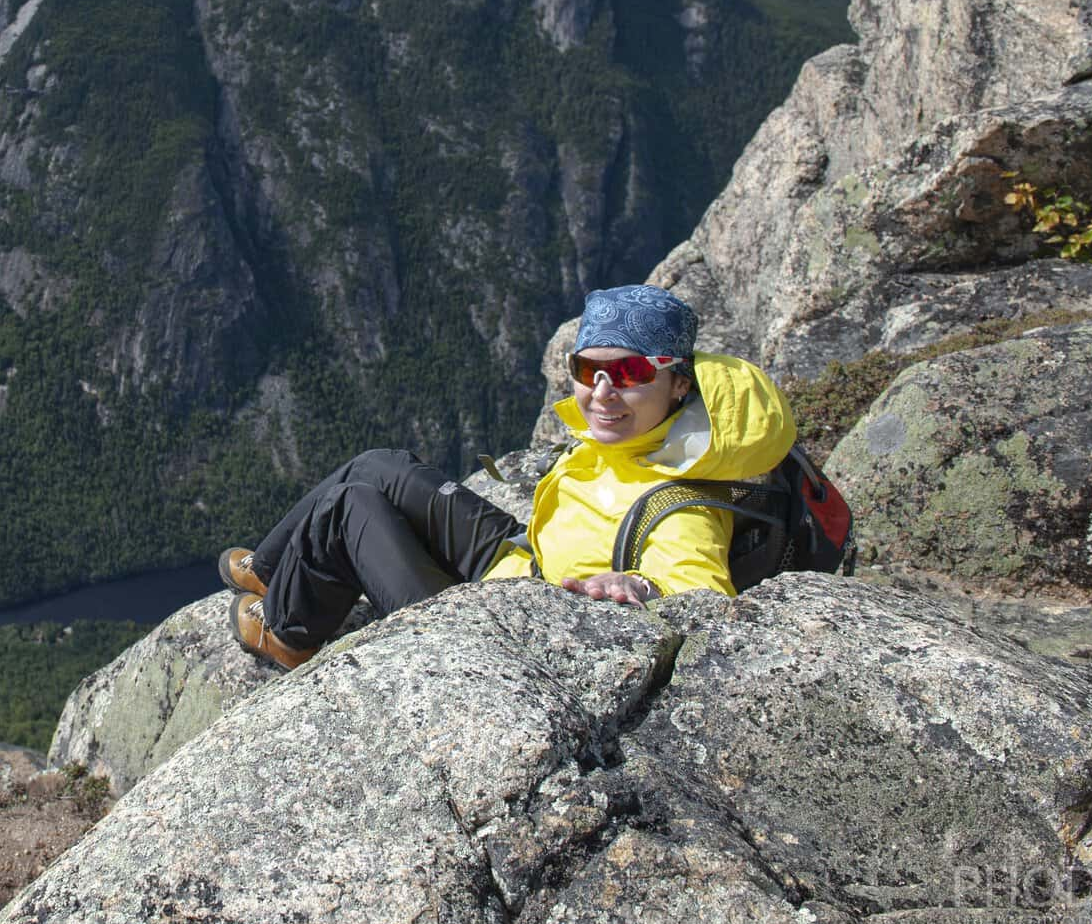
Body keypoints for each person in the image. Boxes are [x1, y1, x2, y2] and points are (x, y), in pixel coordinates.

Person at [222, 284, 796, 669]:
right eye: (587, 369)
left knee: (349, 506)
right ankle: (272, 572)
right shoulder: (645, 436)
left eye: (628, 372)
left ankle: (289, 634)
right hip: (521, 565)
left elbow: (703, 595)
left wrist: (641, 588)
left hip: (499, 633)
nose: (601, 392)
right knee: (378, 466)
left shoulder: (682, 499)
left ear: (678, 383)